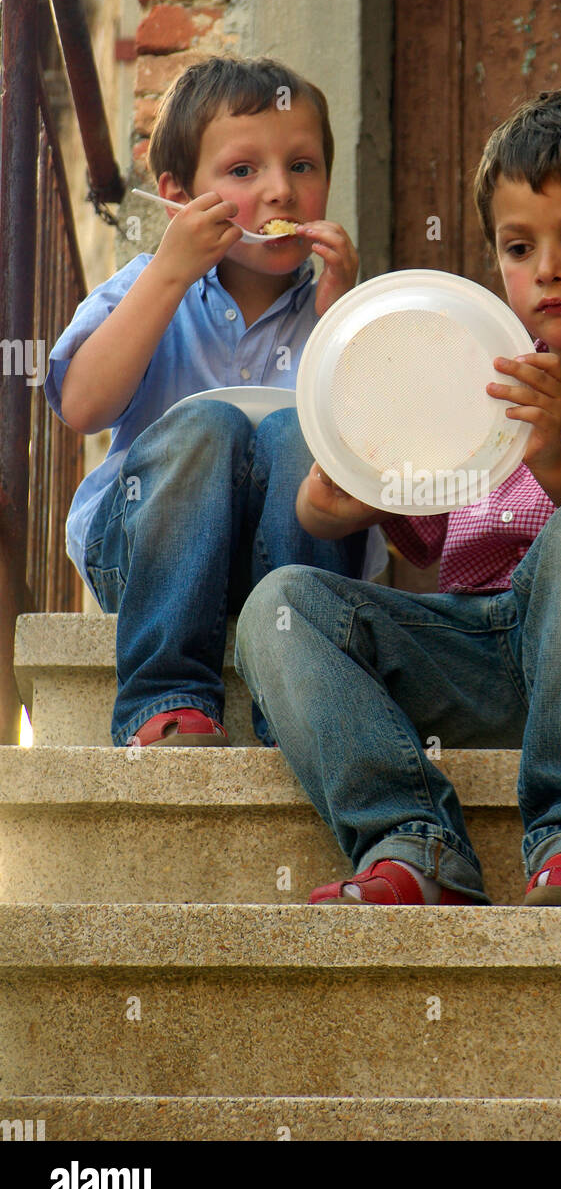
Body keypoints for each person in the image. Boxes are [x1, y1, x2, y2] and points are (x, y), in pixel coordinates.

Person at [234, 85, 561, 907]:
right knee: (281, 604)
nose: (545, 270)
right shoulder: (471, 382)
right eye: (518, 249)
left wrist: (557, 458)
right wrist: (343, 501)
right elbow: (413, 513)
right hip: (488, 652)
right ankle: (413, 843)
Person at [45, 56, 385, 748]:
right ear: (176, 197)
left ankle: (307, 692)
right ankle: (166, 699)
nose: (280, 191)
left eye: (303, 166)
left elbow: (379, 459)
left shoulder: (342, 311)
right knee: (205, 422)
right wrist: (169, 273)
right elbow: (81, 406)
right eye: (242, 171)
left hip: (292, 562)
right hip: (151, 554)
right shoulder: (147, 284)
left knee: (301, 433)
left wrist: (343, 323)